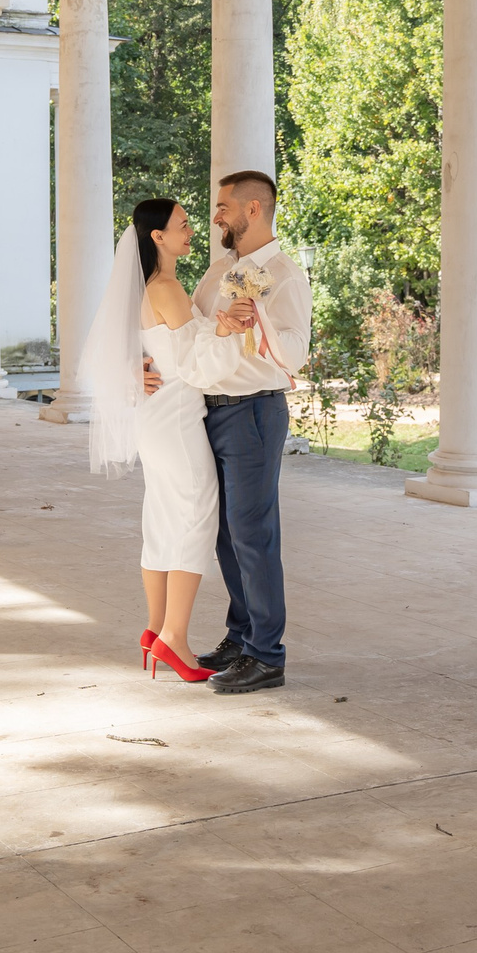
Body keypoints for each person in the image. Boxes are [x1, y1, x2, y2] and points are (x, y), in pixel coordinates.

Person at [81, 199, 238, 682]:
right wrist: (230, 330)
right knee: (196, 516)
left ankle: (155, 628)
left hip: (157, 421)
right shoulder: (166, 287)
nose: (192, 231)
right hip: (175, 421)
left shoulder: (147, 288)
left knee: (164, 520)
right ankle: (175, 638)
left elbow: (150, 349)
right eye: (183, 225)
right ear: (157, 237)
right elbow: (194, 363)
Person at [173, 170, 311, 695]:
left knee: (253, 533)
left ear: (253, 210)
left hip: (254, 412)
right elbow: (193, 335)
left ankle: (267, 656)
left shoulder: (284, 276)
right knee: (226, 534)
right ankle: (241, 636)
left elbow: (296, 353)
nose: (216, 216)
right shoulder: (218, 272)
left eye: (224, 206)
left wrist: (258, 321)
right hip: (209, 411)